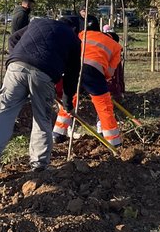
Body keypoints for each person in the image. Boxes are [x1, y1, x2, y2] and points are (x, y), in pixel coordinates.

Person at [0, 16, 80, 178]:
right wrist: (67, 103)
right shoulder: (73, 39)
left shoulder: (38, 22)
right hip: (44, 74)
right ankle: (39, 165)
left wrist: (18, 56)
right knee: (42, 118)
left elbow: (13, 38)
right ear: (75, 29)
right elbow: (72, 75)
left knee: (3, 112)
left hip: (16, 67)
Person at [53, 15, 124, 146]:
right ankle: (113, 141)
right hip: (93, 73)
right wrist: (98, 84)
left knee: (70, 98)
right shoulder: (116, 46)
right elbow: (110, 72)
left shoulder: (81, 34)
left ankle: (58, 133)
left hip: (72, 68)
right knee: (104, 105)